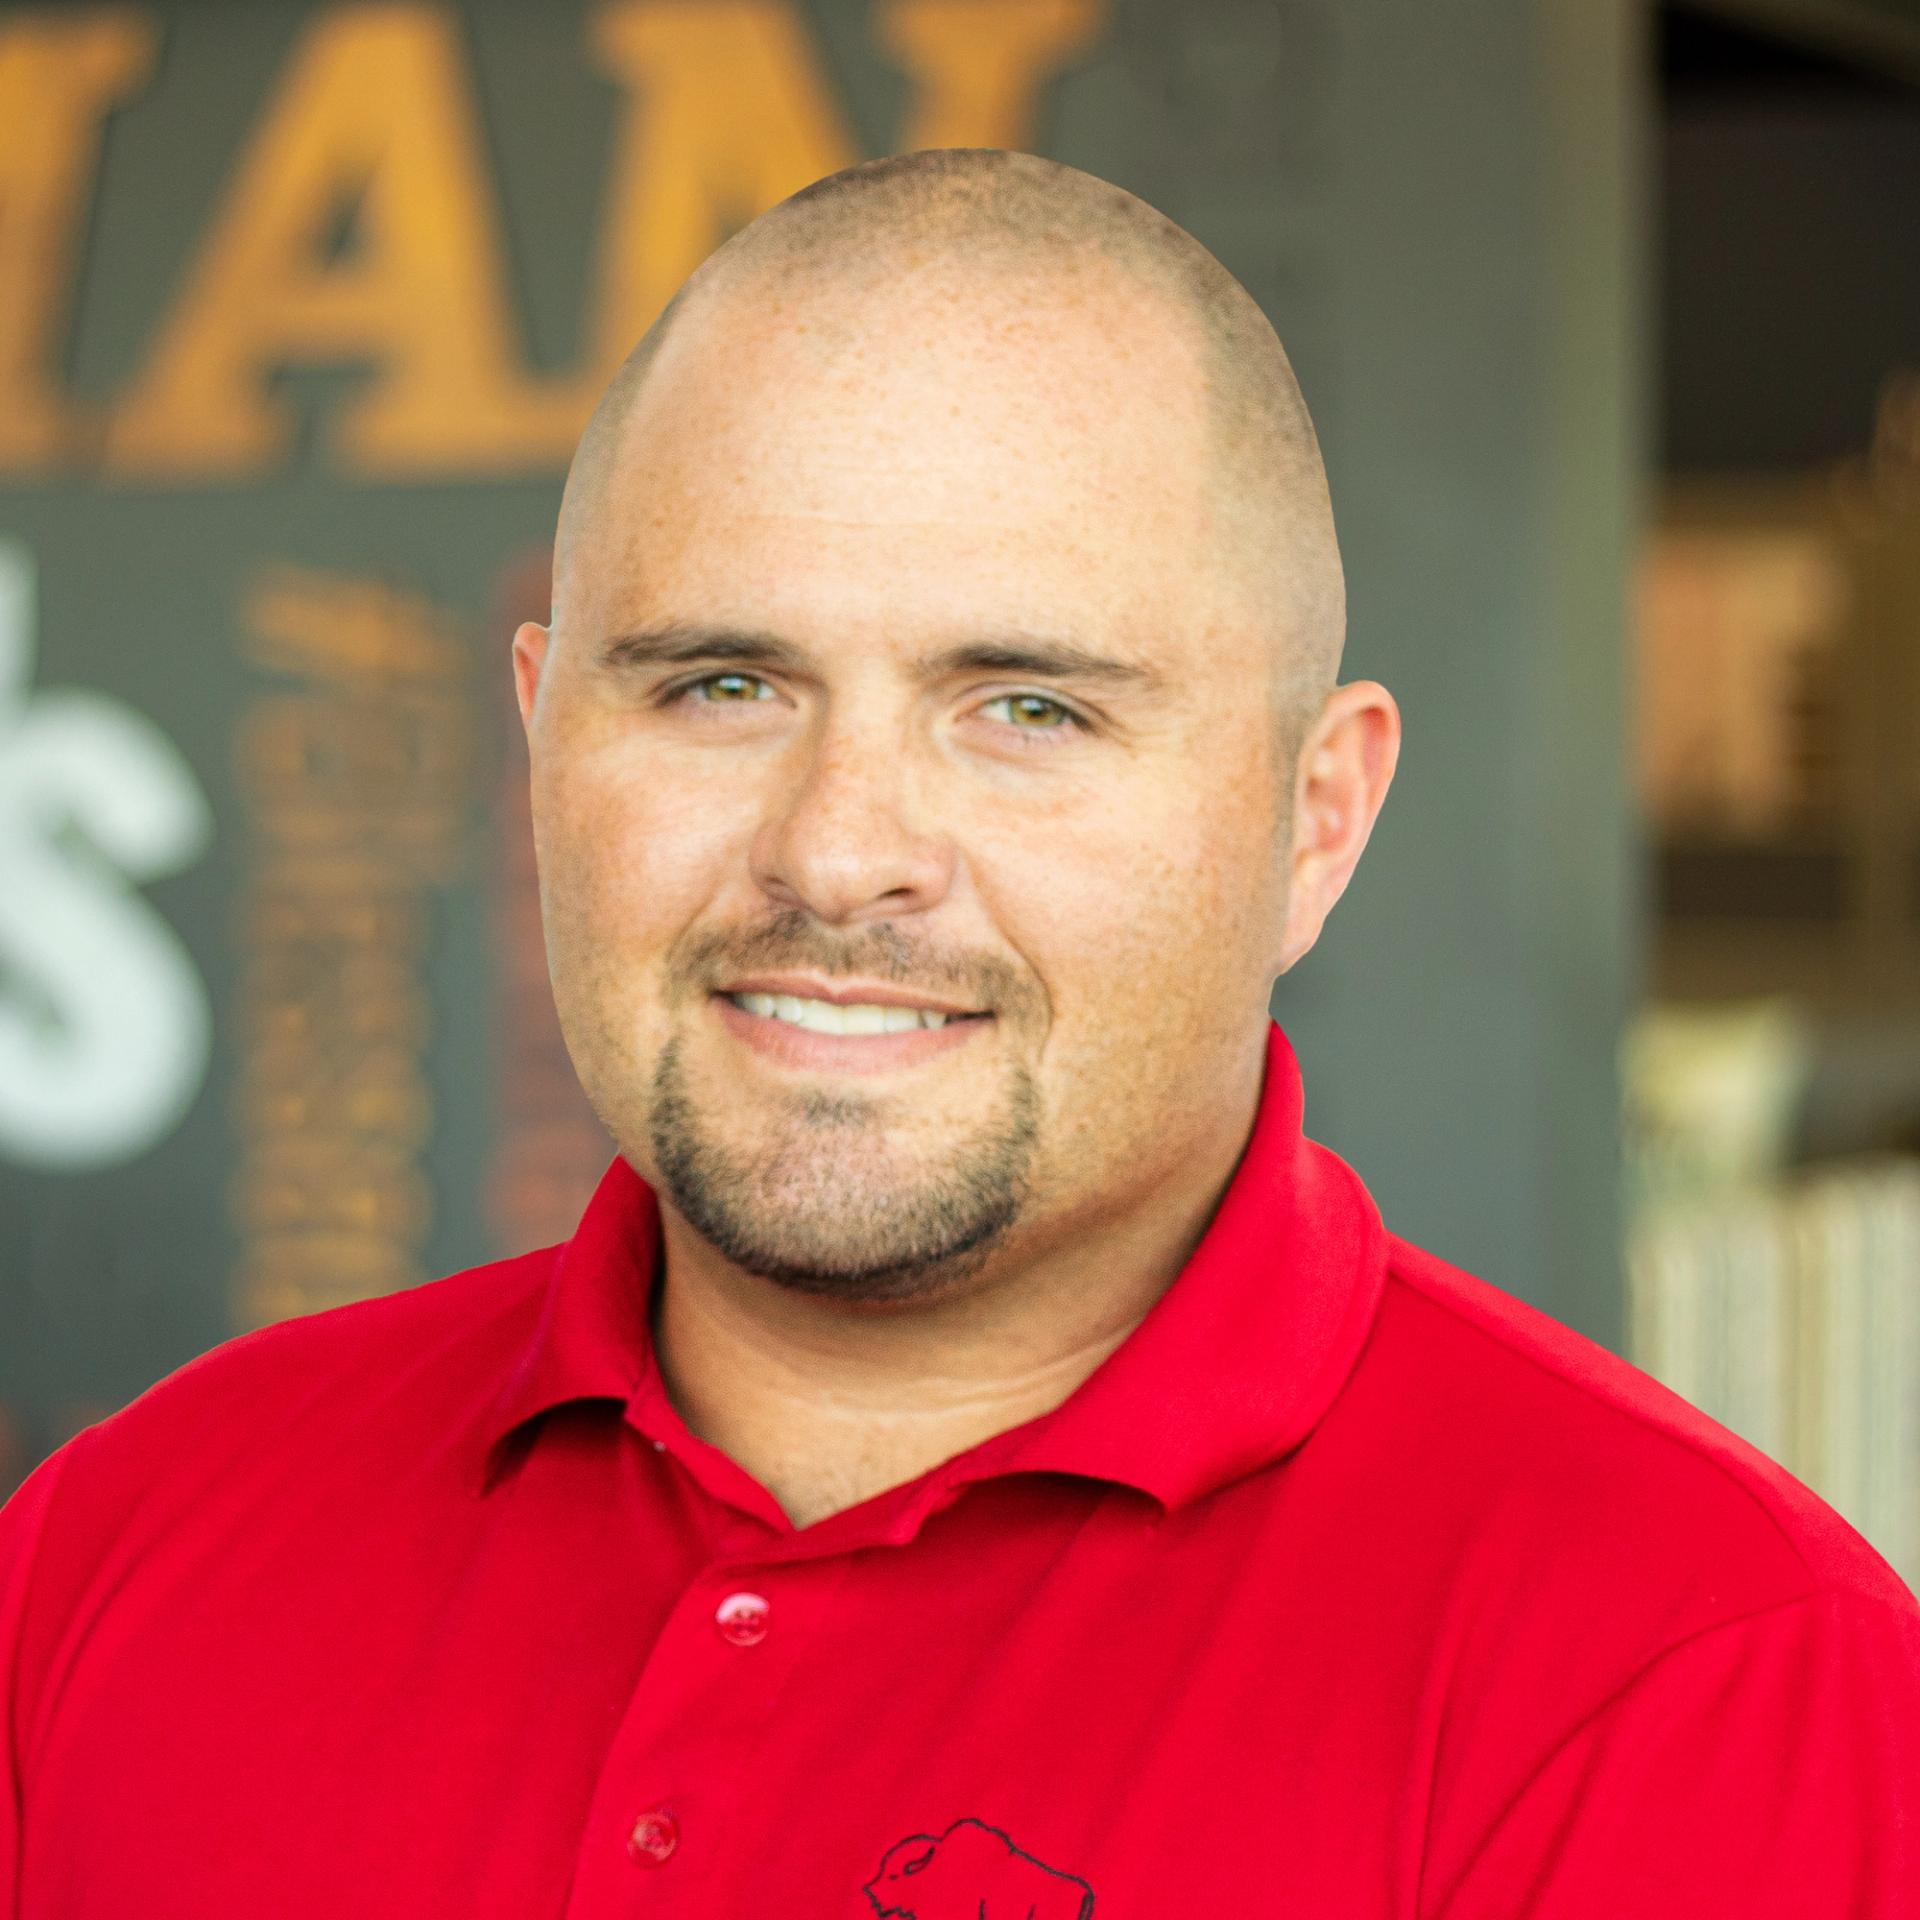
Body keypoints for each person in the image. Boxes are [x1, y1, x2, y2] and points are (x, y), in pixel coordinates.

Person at [2, 147, 1917, 1918]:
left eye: (1028, 710)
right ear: (538, 733)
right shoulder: (115, 1553)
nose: (840, 853)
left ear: (1312, 820)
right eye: (722, 684)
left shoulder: (1698, 1685)